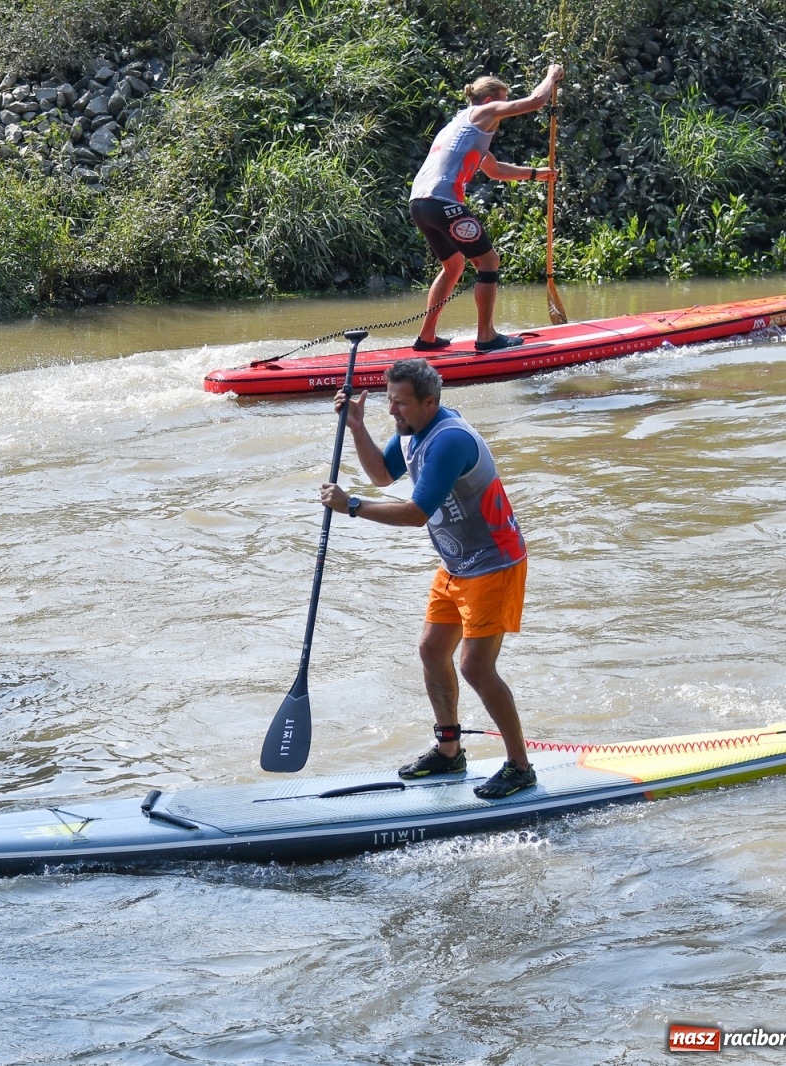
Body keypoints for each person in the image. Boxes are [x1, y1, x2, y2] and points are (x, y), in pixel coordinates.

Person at [319, 358, 534, 799]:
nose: (392, 412)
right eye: (388, 402)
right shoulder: (414, 430)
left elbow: (417, 515)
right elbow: (382, 474)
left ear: (429, 401)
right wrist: (356, 427)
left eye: (399, 404)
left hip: (494, 564)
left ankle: (519, 766)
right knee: (432, 650)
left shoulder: (448, 440)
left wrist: (353, 507)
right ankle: (449, 750)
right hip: (457, 563)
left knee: (475, 667)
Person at [409, 64, 565, 353]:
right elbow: (536, 102)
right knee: (489, 262)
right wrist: (550, 77)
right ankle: (486, 337)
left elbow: (493, 170)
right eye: (503, 102)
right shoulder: (483, 114)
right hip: (443, 203)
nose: (504, 111)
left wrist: (536, 173)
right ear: (491, 101)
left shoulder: (461, 127)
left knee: (454, 266)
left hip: (420, 204)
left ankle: (426, 337)